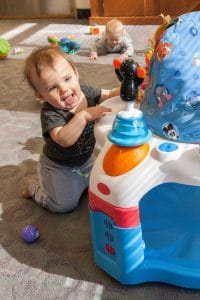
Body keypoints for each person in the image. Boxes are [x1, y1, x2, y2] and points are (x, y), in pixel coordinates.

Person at [22, 45, 120, 213]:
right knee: (62, 205)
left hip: (86, 159)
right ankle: (34, 189)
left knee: (104, 184)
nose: (64, 89)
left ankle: (81, 179)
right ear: (40, 96)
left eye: (67, 79)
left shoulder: (87, 92)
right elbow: (63, 139)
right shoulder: (51, 113)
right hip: (59, 167)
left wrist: (127, 90)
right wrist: (83, 116)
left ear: (75, 73)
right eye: (52, 88)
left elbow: (110, 94)